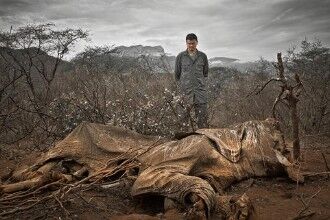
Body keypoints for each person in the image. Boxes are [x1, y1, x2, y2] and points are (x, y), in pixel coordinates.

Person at [175, 33, 209, 129]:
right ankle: (183, 142)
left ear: (197, 43)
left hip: (200, 93)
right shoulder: (180, 57)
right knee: (183, 121)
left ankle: (203, 141)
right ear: (186, 43)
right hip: (185, 93)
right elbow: (177, 75)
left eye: (193, 43)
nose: (191, 45)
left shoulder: (203, 56)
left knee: (202, 120)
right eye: (189, 43)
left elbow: (205, 73)